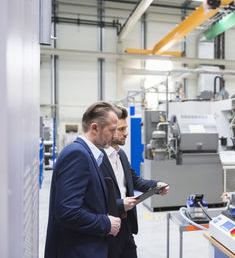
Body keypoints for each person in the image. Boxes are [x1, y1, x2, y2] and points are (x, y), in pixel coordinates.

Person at [45, 102, 122, 258]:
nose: (115, 136)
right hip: (78, 250)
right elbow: (67, 212)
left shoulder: (89, 155)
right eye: (112, 130)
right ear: (95, 128)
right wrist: (106, 223)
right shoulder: (77, 155)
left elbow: (89, 201)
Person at [100, 106, 169, 258]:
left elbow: (135, 181)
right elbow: (95, 199)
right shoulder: (97, 159)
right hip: (108, 226)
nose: (126, 133)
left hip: (126, 225)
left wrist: (155, 186)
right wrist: (120, 204)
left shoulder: (121, 154)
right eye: (121, 128)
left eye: (126, 128)